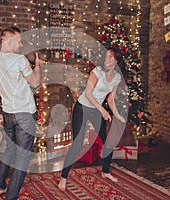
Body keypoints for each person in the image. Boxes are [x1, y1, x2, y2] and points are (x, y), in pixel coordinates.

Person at [58, 46, 127, 191]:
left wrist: (118, 115)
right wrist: (102, 110)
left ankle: (105, 172)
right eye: (106, 56)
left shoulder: (117, 77)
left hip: (96, 110)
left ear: (116, 60)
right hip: (82, 108)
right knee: (77, 144)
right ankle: (63, 177)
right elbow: (88, 94)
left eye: (111, 57)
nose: (107, 59)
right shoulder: (97, 72)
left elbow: (111, 99)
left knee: (108, 140)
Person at [0, 26, 45, 199]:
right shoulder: (19, 60)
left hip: (8, 113)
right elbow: (35, 82)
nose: (21, 45)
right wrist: (37, 66)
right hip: (24, 114)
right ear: (10, 40)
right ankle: (11, 196)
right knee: (23, 156)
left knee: (10, 150)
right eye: (19, 41)